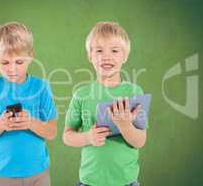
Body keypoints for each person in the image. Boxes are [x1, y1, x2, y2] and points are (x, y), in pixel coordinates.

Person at [63, 21, 148, 186]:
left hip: (126, 181)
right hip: (89, 181)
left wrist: (125, 125)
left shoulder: (135, 92)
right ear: (90, 56)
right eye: (99, 50)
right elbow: (67, 136)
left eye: (115, 51)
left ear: (125, 56)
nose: (106, 56)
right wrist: (88, 137)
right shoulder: (81, 95)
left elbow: (140, 141)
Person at [0, 22, 58, 186]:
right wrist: (0, 124)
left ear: (30, 56)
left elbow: (52, 132)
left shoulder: (41, 87)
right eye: (5, 63)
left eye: (19, 62)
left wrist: (31, 122)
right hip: (3, 174)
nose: (12, 69)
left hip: (39, 173)